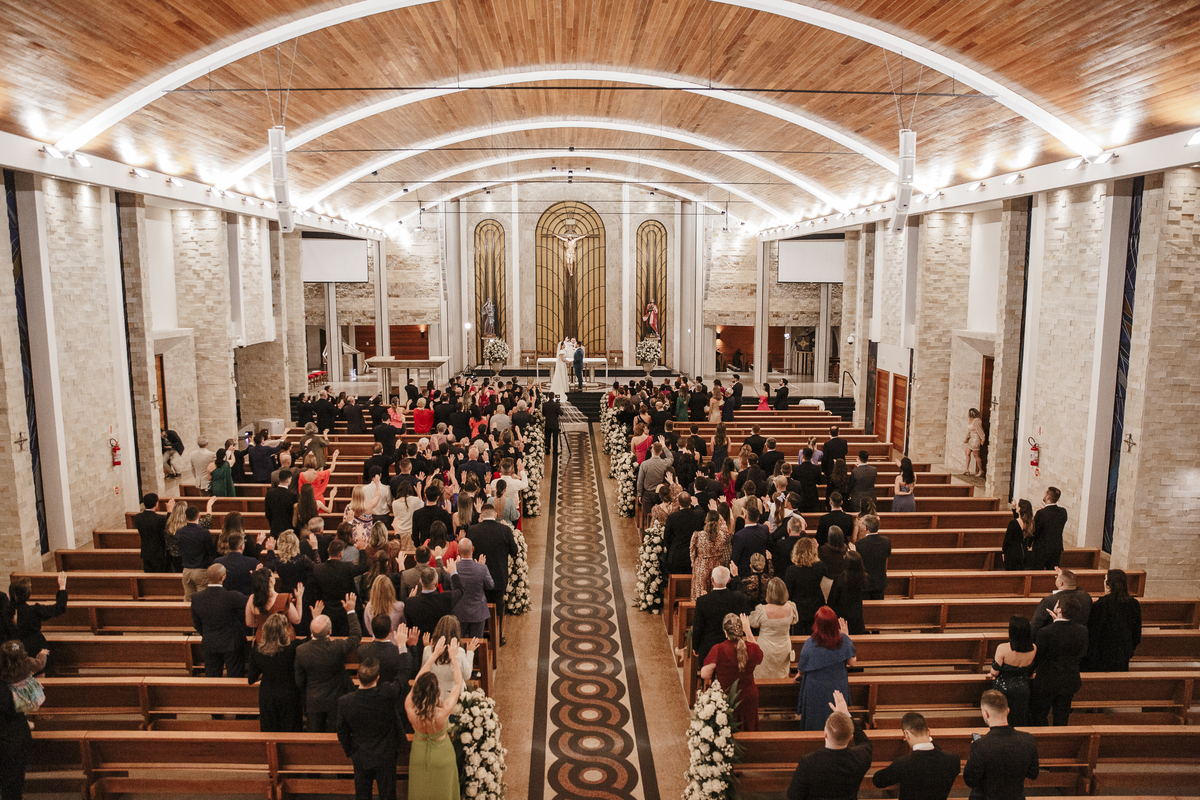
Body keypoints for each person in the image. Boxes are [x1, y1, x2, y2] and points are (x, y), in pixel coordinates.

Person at [337, 649, 410, 800]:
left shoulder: (345, 702)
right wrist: (403, 647)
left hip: (361, 755)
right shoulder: (386, 694)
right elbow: (404, 675)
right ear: (378, 678)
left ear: (358, 676)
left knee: (363, 795)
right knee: (388, 795)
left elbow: (341, 731)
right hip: (386, 755)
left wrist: (351, 751)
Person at [786, 690, 872, 800]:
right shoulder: (861, 757)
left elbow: (794, 796)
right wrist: (846, 714)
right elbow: (864, 741)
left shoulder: (809, 762)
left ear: (825, 734)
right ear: (851, 737)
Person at [406, 637, 464, 800]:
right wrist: (454, 658)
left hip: (419, 752)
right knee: (443, 791)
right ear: (437, 691)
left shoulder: (410, 707)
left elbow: (418, 680)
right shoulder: (442, 711)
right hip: (442, 754)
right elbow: (458, 685)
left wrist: (433, 656)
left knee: (421, 791)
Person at [295, 593, 362, 732]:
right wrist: (350, 611)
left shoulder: (301, 650)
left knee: (314, 736)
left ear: (312, 631)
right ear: (330, 631)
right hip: (335, 700)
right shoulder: (337, 647)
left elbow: (299, 680)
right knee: (336, 735)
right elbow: (356, 635)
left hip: (313, 700)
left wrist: (315, 619)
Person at [963, 690, 1039, 800]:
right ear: (1007, 711)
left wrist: (973, 753)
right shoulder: (1028, 739)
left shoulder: (980, 745)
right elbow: (1033, 773)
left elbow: (970, 780)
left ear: (986, 713)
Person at [872, 711, 962, 800]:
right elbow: (937, 756)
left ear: (906, 734)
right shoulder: (953, 759)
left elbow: (878, 781)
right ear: (928, 731)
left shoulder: (903, 764)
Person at [1029, 593, 1088, 726]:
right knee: (1062, 716)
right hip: (1069, 679)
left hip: (1047, 680)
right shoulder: (1082, 631)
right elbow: (1081, 652)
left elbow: (1038, 657)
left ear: (1059, 610)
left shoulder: (1045, 632)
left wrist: (1028, 671)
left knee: (1040, 714)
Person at [1, 640, 48, 800]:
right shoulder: (22, 682)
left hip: (10, 735)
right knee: (12, 785)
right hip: (13, 738)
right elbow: (29, 706)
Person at [796, 607, 856, 731]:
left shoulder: (809, 643)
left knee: (814, 719)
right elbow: (852, 662)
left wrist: (799, 674)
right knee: (837, 719)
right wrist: (847, 636)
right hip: (837, 685)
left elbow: (802, 667)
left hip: (815, 687)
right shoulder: (843, 640)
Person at [701, 613, 763, 731]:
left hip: (727, 698)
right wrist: (748, 631)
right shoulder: (752, 648)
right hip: (748, 697)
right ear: (741, 630)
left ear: (725, 631)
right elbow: (759, 654)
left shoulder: (718, 649)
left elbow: (704, 674)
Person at [467, 504, 518, 646]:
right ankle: (498, 636)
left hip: (479, 576)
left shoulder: (472, 530)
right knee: (498, 606)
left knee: (480, 604)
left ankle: (481, 634)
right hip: (498, 576)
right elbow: (514, 551)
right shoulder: (504, 530)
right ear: (495, 514)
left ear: (481, 516)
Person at [190, 563, 250, 677]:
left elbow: (196, 623)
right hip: (231, 644)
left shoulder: (197, 598)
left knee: (212, 678)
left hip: (210, 642)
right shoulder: (232, 597)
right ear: (223, 577)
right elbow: (252, 601)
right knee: (235, 677)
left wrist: (207, 633)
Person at [248, 612, 304, 732]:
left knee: (270, 731)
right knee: (291, 731)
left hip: (267, 695)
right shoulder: (293, 648)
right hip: (289, 694)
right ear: (284, 631)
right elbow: (312, 640)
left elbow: (251, 678)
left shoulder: (258, 650)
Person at [1082, 569, 1142, 672]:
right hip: (1123, 653)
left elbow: (1092, 633)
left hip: (1102, 656)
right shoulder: (1134, 604)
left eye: (1105, 580)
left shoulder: (1100, 605)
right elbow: (1136, 632)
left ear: (1109, 585)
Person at [691, 566, 749, 663]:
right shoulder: (737, 598)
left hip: (709, 649)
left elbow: (698, 627)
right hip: (733, 648)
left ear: (712, 579)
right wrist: (737, 577)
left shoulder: (703, 601)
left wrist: (695, 646)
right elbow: (743, 593)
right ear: (729, 580)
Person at [987, 616, 1036, 727]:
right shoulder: (1033, 648)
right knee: (1018, 719)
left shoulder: (1003, 648)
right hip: (1022, 688)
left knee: (1001, 718)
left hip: (1003, 689)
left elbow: (995, 672)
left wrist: (990, 672)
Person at [314, 539, 369, 636]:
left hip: (327, 611)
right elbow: (364, 567)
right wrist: (362, 549)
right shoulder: (347, 567)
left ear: (328, 550)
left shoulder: (318, 569)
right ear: (340, 554)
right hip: (345, 611)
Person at [9, 573, 67, 662]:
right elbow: (59, 608)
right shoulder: (34, 611)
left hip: (13, 649)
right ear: (27, 595)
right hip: (35, 649)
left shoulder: (5, 611)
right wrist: (62, 587)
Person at [748, 578, 798, 679]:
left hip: (765, 649)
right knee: (781, 677)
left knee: (762, 678)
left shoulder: (761, 609)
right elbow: (795, 620)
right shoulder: (791, 606)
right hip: (784, 648)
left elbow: (752, 623)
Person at [1029, 567, 1092, 639]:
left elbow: (1035, 626)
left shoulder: (1050, 601)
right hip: (1079, 639)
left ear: (1060, 583)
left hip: (1054, 640)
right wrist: (1064, 576)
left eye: (1057, 578)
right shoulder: (1086, 597)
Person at [245, 569, 303, 643]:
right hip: (283, 641)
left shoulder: (252, 598)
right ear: (270, 580)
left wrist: (262, 623)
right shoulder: (283, 599)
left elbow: (249, 623)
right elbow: (296, 620)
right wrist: (299, 598)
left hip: (262, 641)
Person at [450, 539, 493, 639]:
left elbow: (447, 586)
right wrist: (482, 567)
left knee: (457, 645)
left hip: (458, 612)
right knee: (476, 645)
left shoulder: (453, 568)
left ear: (458, 551)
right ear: (473, 549)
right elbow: (490, 585)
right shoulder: (482, 568)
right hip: (477, 612)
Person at [785, 537, 827, 635]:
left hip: (798, 608)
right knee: (815, 636)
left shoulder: (792, 570)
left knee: (797, 635)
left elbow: (788, 592)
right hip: (816, 606)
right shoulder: (820, 567)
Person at [176, 504, 217, 599]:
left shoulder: (179, 532)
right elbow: (210, 551)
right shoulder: (204, 533)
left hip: (186, 570)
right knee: (203, 600)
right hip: (201, 569)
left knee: (189, 599)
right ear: (199, 515)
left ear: (185, 517)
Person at [690, 511, 732, 600]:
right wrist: (717, 512)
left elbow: (692, 553)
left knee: (700, 594)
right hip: (717, 566)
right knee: (716, 594)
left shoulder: (698, 535)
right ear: (718, 521)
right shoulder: (723, 534)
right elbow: (725, 525)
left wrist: (694, 564)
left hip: (701, 567)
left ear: (706, 520)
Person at [827, 551, 868, 635]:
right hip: (857, 616)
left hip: (842, 617)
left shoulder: (839, 579)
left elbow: (832, 600)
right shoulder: (863, 578)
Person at [1028, 487, 1067, 570]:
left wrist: (1028, 544)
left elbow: (1035, 531)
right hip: (1056, 548)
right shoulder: (1063, 512)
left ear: (1048, 497)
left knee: (1037, 572)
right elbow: (1052, 523)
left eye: (1045, 494)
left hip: (1041, 549)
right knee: (1052, 572)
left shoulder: (1041, 514)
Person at [854, 515, 890, 600]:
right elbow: (886, 557)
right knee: (878, 610)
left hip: (865, 581)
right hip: (880, 580)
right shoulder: (887, 541)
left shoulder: (859, 544)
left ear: (866, 528)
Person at [133, 492, 169, 572]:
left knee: (148, 573)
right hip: (158, 552)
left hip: (145, 551)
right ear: (156, 504)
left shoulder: (138, 517)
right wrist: (169, 512)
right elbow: (168, 526)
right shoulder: (160, 519)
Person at [265, 470, 300, 537]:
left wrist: (272, 524)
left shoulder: (269, 493)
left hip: (274, 527)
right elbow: (294, 514)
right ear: (287, 480)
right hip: (288, 529)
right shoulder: (292, 496)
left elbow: (268, 513)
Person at [1003, 499, 1032, 571]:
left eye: (1018, 506)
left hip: (1012, 553)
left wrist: (1003, 551)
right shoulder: (1030, 524)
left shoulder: (1013, 523)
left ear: (1020, 509)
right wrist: (1014, 507)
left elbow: (1007, 539)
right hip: (1023, 552)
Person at [964, 408, 986, 477]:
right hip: (971, 438)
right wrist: (967, 437)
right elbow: (969, 430)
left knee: (975, 455)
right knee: (967, 452)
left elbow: (980, 430)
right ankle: (966, 469)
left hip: (975, 439)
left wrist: (983, 439)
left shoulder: (977, 421)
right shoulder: (971, 420)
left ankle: (981, 470)